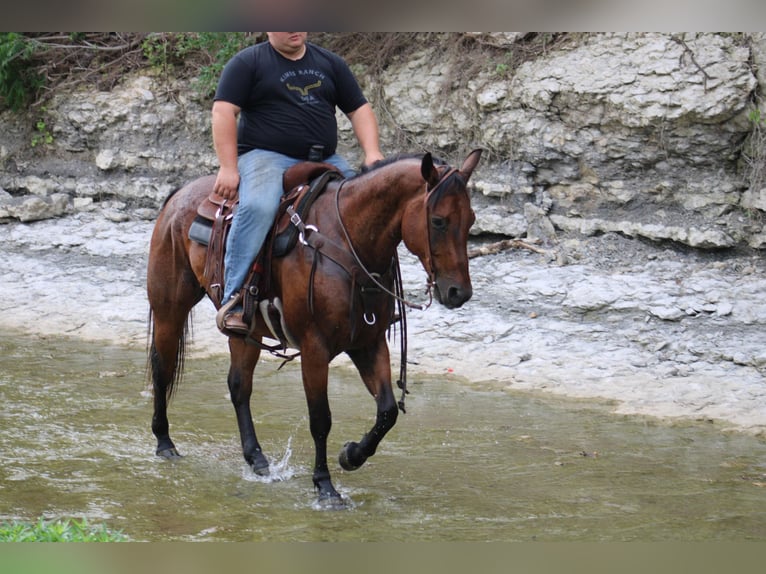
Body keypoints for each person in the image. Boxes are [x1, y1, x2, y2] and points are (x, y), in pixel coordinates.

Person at [211, 32, 385, 335]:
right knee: (258, 206)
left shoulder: (330, 63)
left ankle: (375, 297)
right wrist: (228, 167)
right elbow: (224, 111)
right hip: (266, 157)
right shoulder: (247, 63)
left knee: (372, 207)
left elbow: (359, 109)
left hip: (325, 157)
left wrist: (372, 153)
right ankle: (235, 298)